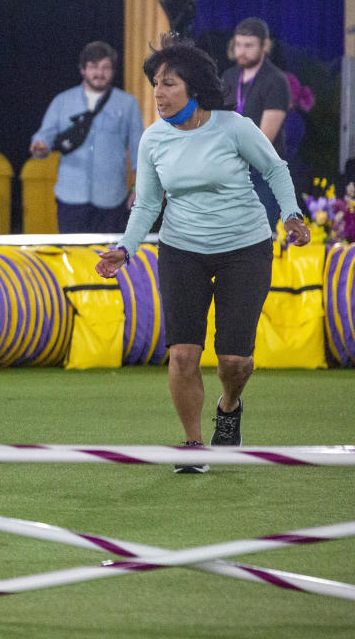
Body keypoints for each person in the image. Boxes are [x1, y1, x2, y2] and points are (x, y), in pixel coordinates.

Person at [95, 34, 310, 473]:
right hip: (181, 249)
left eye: (169, 84)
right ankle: (194, 446)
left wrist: (290, 215)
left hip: (244, 248)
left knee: (235, 360)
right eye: (155, 84)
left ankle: (229, 407)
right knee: (183, 354)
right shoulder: (154, 140)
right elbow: (149, 203)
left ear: (194, 88)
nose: (158, 93)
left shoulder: (233, 127)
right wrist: (125, 249)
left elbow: (274, 169)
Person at [29, 41, 143, 233]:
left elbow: (140, 151)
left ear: (113, 71)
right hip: (70, 196)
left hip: (112, 198)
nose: (100, 73)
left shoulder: (127, 104)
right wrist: (39, 147)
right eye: (93, 67)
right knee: (72, 258)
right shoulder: (63, 101)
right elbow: (44, 136)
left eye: (106, 67)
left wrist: (139, 191)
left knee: (107, 259)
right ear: (82, 70)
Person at [220, 17, 291, 231]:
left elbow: (264, 138)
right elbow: (219, 120)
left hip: (262, 174)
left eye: (249, 46)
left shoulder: (276, 80)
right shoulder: (229, 76)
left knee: (261, 236)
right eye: (239, 44)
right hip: (231, 171)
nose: (242, 51)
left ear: (264, 46)